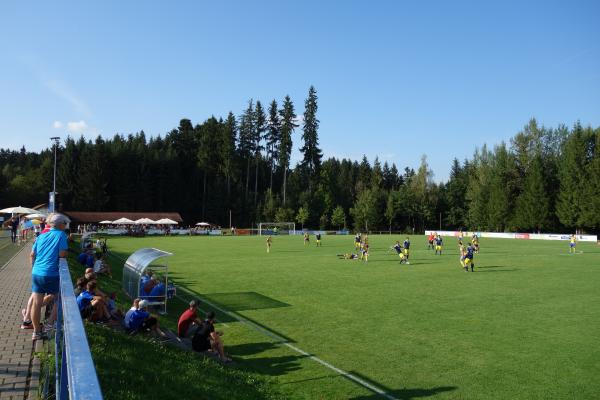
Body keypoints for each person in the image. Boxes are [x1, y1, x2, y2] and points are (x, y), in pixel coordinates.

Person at [29, 213, 69, 341]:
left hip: (37, 273)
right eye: (65, 223)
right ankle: (50, 324)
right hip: (51, 274)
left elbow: (32, 255)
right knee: (59, 299)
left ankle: (36, 332)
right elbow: (62, 254)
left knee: (36, 303)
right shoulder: (61, 235)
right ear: (60, 224)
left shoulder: (41, 235)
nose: (66, 226)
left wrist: (34, 268)